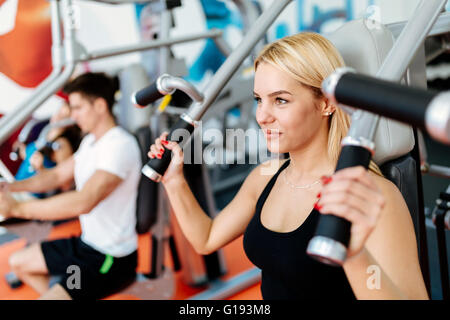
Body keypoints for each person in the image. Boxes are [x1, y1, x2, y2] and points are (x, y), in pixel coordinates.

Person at [147, 32, 429, 300]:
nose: (262, 116)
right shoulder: (264, 177)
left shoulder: (369, 195)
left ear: (327, 104)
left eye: (280, 100)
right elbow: (206, 239)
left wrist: (354, 257)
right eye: (259, 100)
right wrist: (175, 181)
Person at [0, 72, 142, 300]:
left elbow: (84, 202)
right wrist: (10, 187)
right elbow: (57, 176)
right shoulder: (90, 142)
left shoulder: (119, 145)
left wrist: (17, 209)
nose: (72, 115)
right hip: (85, 245)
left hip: (109, 259)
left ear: (99, 105)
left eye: (77, 108)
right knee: (19, 263)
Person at [14, 101, 82, 196]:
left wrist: (41, 169)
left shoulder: (62, 145)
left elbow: (66, 184)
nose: (58, 116)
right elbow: (32, 158)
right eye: (59, 112)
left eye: (63, 116)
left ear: (70, 123)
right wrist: (22, 150)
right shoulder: (45, 134)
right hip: (16, 186)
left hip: (30, 196)